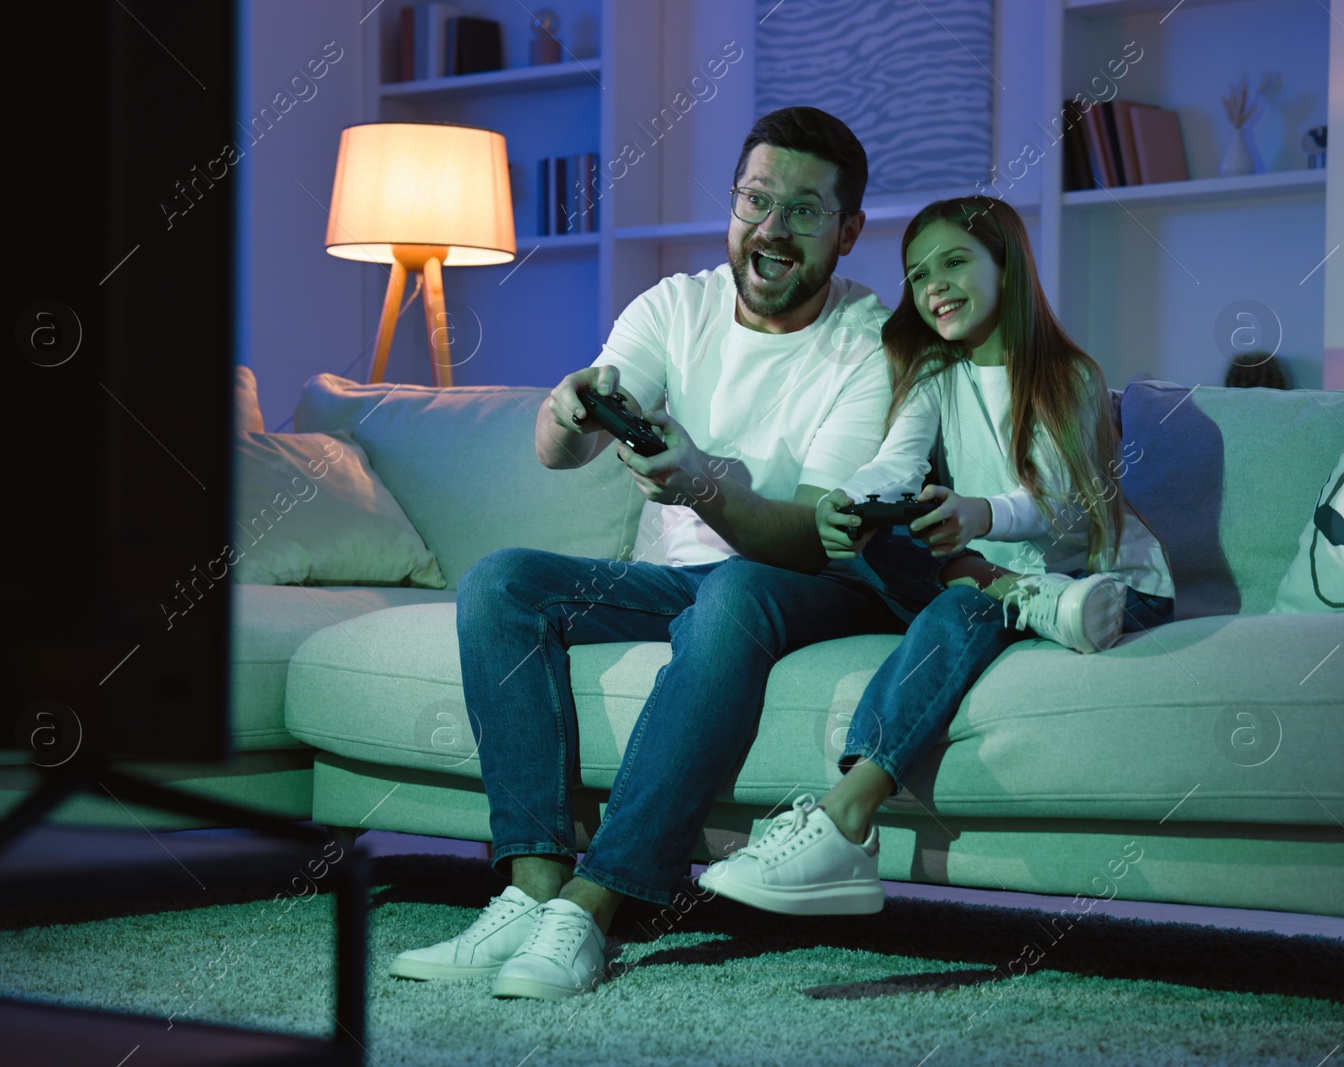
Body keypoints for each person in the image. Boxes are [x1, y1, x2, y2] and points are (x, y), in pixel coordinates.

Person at [386, 107, 913, 999]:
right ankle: (531, 891)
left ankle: (595, 907)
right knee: (502, 582)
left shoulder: (872, 345)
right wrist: (570, 405)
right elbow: (564, 449)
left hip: (817, 579)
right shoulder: (676, 304)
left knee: (736, 591)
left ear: (849, 231)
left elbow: (817, 533)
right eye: (755, 199)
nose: (771, 230)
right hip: (685, 581)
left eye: (804, 211)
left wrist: (703, 484)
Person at [698, 196, 1175, 916]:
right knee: (890, 541)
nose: (934, 286)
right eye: (918, 275)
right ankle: (1026, 598)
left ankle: (845, 818)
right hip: (995, 574)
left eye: (954, 261)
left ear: (1006, 267)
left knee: (962, 595)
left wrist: (978, 512)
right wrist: (845, 501)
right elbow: (894, 463)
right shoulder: (934, 376)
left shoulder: (1065, 373)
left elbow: (1065, 506)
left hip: (1106, 578)